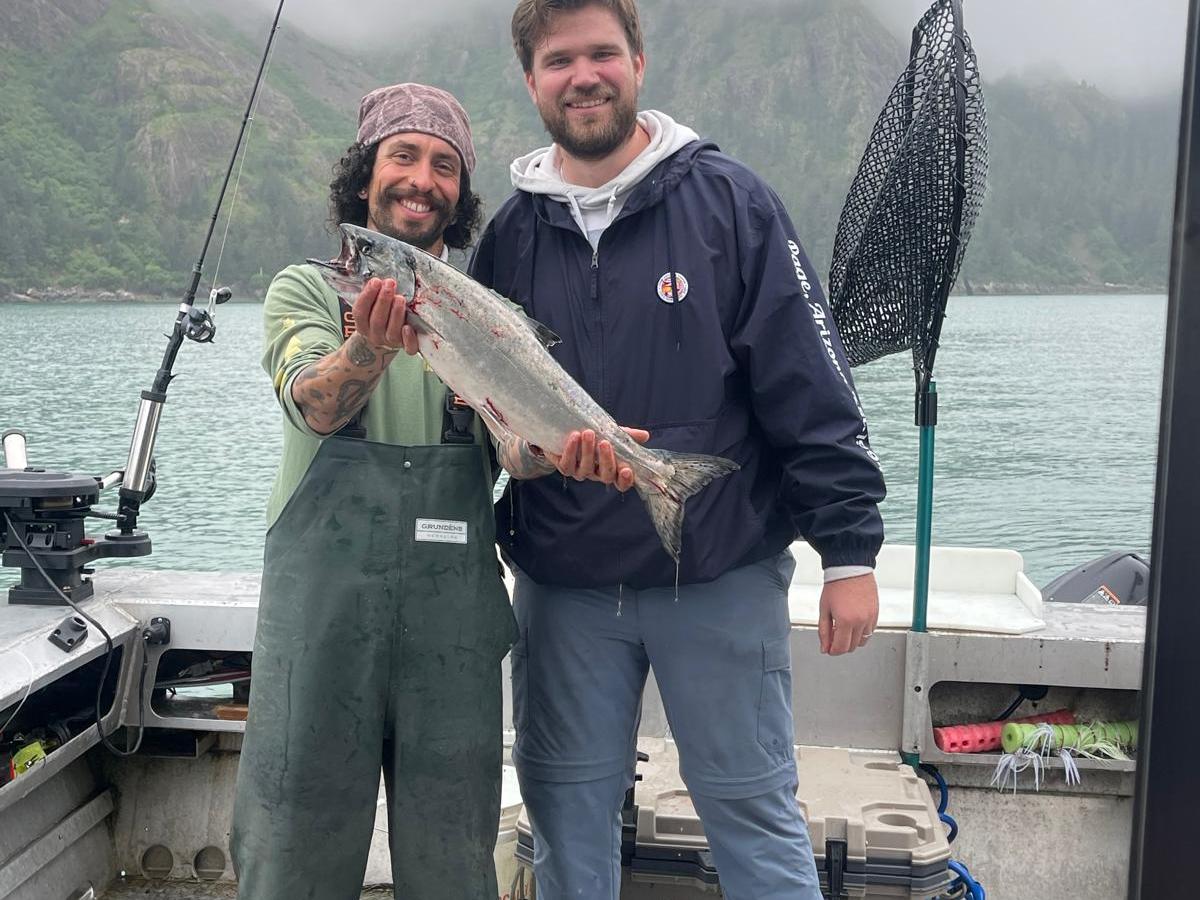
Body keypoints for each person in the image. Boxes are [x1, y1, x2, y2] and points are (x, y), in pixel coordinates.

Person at [468, 2, 889, 898]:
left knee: (753, 812)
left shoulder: (732, 203)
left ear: (639, 64)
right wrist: (529, 456)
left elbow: (807, 381)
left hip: (721, 568)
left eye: (601, 54)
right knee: (563, 823)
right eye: (558, 61)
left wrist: (849, 550)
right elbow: (492, 419)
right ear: (532, 80)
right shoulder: (506, 237)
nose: (583, 75)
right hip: (565, 582)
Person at [230, 82, 519, 900]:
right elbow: (315, 401)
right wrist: (370, 347)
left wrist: (580, 453)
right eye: (403, 156)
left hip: (452, 632)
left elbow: (523, 460)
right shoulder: (304, 290)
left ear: (459, 197)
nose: (422, 179)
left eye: (444, 165)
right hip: (322, 624)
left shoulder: (489, 320)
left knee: (456, 854)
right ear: (366, 176)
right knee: (293, 847)